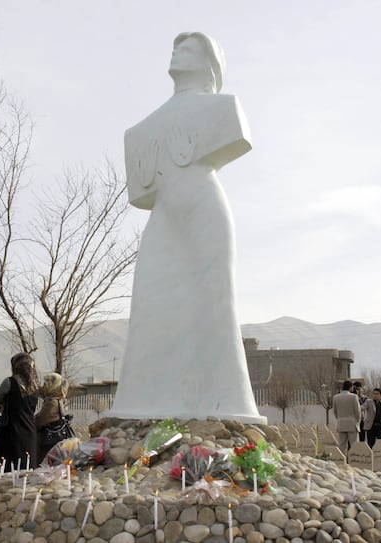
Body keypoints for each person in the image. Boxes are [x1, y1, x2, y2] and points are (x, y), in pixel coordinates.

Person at [111, 32, 264, 423]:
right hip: (163, 217)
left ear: (211, 65)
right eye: (177, 45)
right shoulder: (142, 130)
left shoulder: (222, 108)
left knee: (214, 305)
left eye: (191, 47)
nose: (178, 49)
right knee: (149, 306)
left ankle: (226, 404)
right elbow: (141, 192)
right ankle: (142, 403)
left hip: (203, 210)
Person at [0, 352, 40, 472]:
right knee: (26, 471)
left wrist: (4, 407)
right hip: (29, 433)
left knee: (4, 472)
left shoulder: (9, 382)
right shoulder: (36, 386)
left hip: (9, 432)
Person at [35, 372, 70, 463]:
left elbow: (39, 422)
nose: (43, 387)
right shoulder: (57, 400)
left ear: (52, 386)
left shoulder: (52, 403)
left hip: (48, 446)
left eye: (45, 384)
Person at [332, 380, 361, 456]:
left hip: (341, 423)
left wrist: (340, 419)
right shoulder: (354, 397)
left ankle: (341, 462)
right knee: (354, 445)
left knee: (341, 445)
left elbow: (335, 411)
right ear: (350, 387)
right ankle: (354, 461)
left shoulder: (336, 397)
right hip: (352, 424)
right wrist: (357, 422)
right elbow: (357, 412)